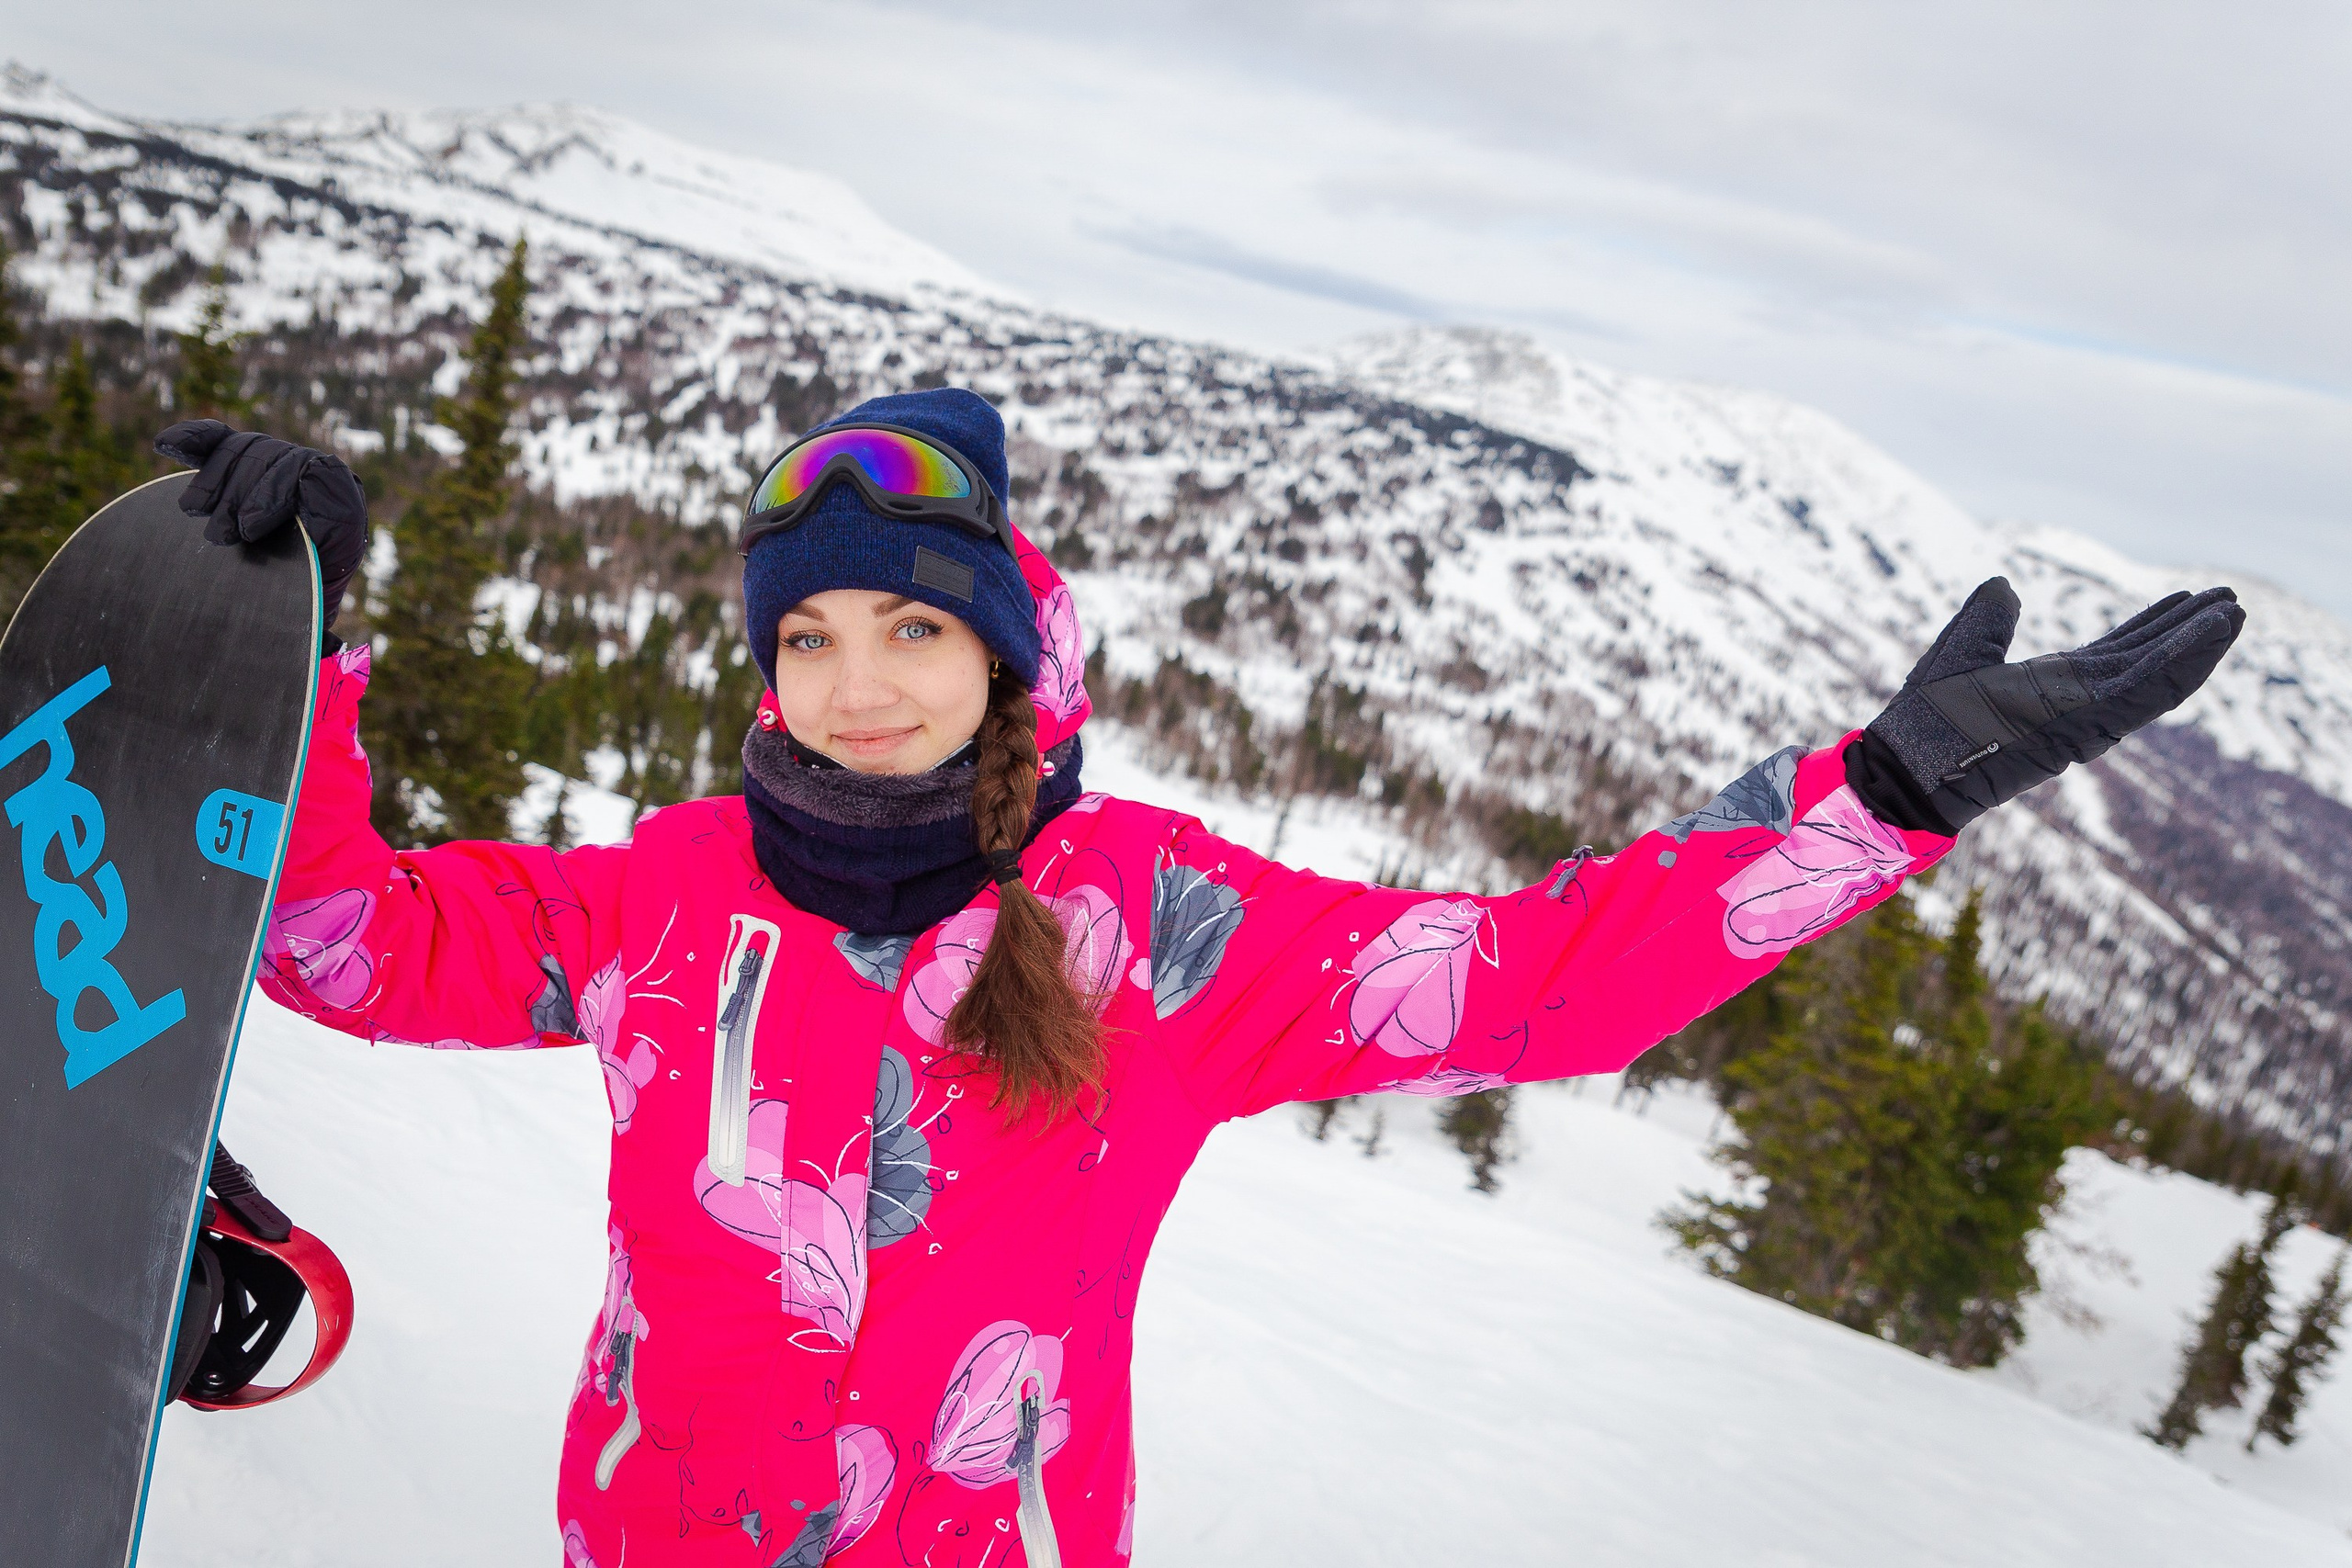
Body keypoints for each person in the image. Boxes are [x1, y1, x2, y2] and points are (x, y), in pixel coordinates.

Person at [155, 389, 2244, 1567]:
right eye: (807, 639)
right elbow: (350, 940)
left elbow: (1531, 981)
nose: (855, 685)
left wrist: (1876, 800)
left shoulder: (1148, 931)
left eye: (911, 631)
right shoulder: (671, 895)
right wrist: (300, 641)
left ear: (1004, 659)